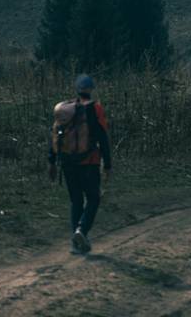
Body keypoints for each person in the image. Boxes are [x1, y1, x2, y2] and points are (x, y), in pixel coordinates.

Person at [48, 73, 112, 254]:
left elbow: (54, 137)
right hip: (89, 162)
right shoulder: (95, 109)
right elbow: (102, 138)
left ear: (77, 89)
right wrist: (107, 165)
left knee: (76, 201)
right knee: (93, 198)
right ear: (91, 89)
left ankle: (76, 244)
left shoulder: (64, 110)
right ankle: (81, 230)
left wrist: (51, 162)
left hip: (67, 163)